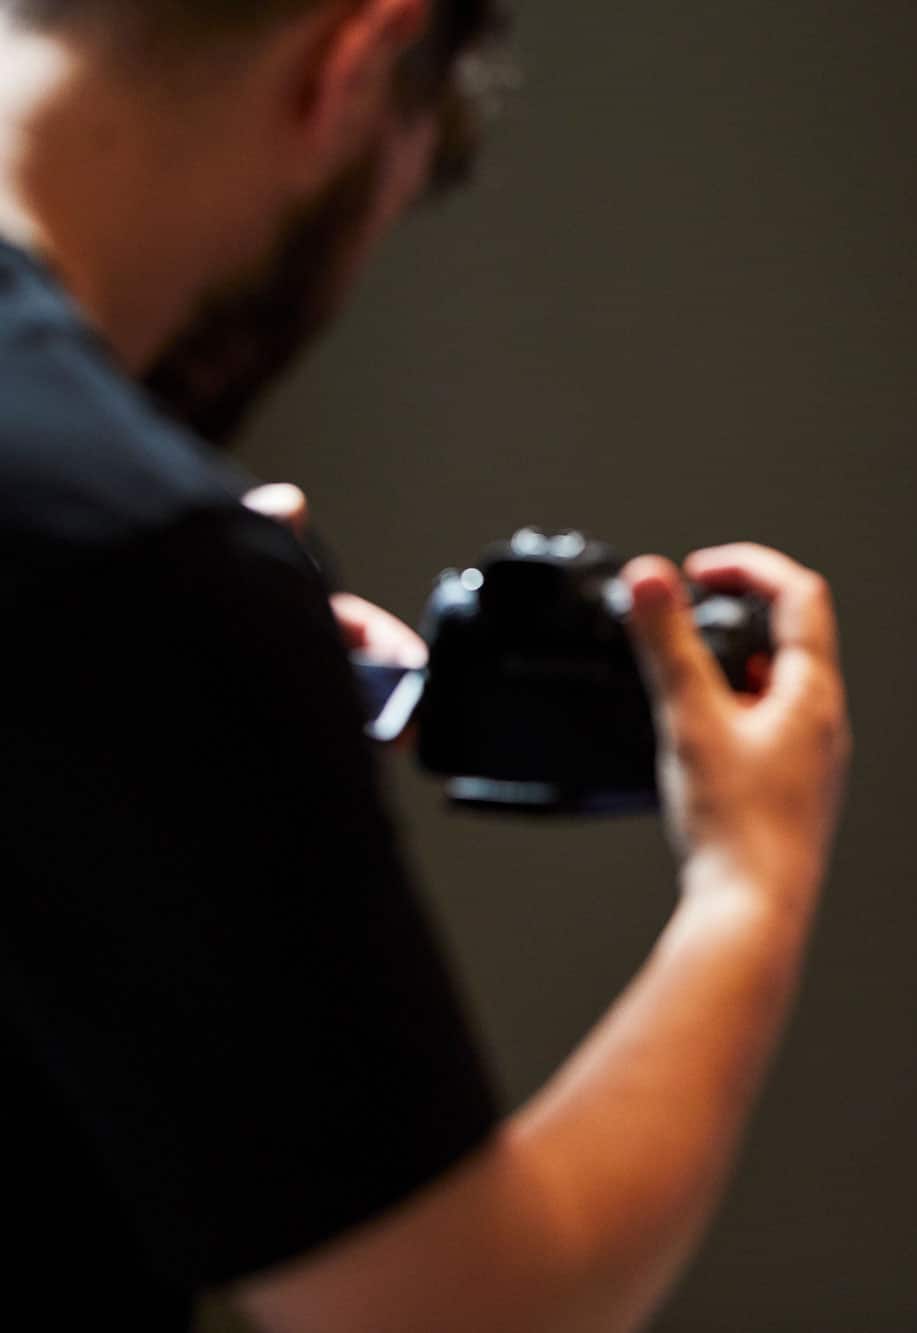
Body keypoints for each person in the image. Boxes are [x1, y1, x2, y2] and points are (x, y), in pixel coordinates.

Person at [0, 2, 849, 1329]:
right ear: (351, 65)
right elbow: (464, 1310)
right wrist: (757, 873)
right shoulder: (121, 549)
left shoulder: (111, 570)